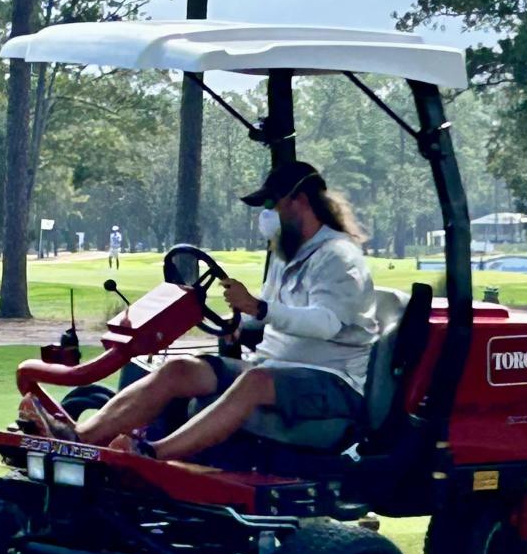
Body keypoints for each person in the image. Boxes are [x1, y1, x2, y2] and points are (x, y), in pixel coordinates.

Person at [20, 162, 378, 461]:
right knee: (179, 370)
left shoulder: (339, 257)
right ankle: (79, 437)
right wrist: (242, 325)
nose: (266, 216)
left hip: (332, 381)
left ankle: (152, 454)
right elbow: (269, 320)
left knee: (252, 382)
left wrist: (258, 307)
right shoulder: (288, 257)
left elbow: (327, 323)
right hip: (274, 367)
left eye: (272, 204)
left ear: (299, 201)